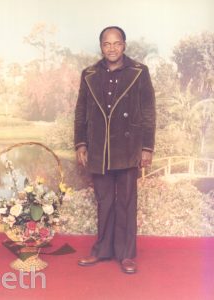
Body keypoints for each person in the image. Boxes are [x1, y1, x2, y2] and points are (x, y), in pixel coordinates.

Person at [74, 26, 156, 274]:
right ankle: (102, 250)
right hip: (99, 148)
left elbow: (148, 112)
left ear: (124, 45)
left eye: (116, 43)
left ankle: (126, 254)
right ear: (101, 46)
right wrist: (81, 143)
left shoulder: (139, 72)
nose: (112, 48)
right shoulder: (88, 74)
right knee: (104, 201)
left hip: (129, 147)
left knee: (127, 202)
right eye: (107, 44)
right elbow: (80, 112)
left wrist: (146, 147)